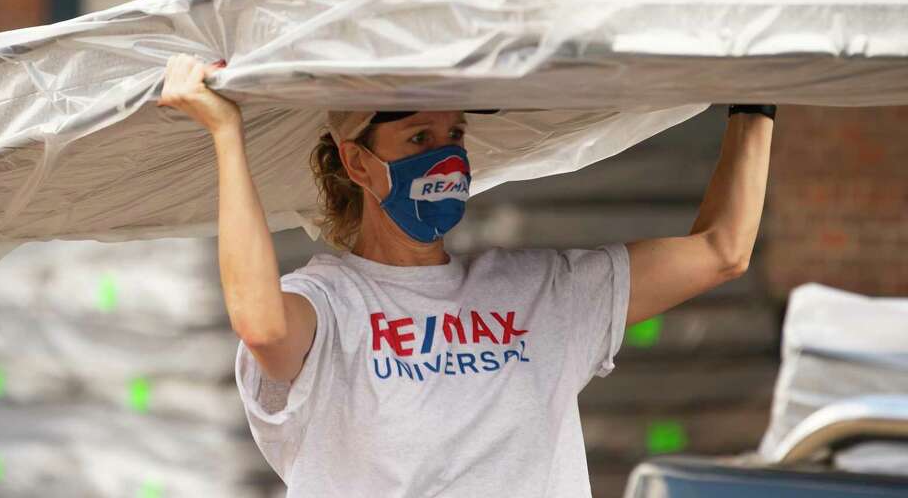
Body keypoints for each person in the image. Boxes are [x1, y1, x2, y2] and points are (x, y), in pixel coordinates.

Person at [157, 53, 776, 497]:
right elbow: (262, 326)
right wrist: (224, 134)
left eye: (455, 133)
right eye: (417, 135)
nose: (444, 154)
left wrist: (757, 95)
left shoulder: (543, 294)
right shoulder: (330, 304)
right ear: (358, 163)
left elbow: (722, 250)